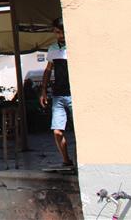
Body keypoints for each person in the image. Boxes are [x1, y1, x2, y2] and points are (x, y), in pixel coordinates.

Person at [40, 17, 74, 168]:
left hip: (73, 94)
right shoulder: (53, 49)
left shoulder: (73, 46)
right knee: (57, 131)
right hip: (58, 94)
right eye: (57, 32)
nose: (60, 35)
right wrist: (43, 90)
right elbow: (48, 70)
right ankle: (66, 160)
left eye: (61, 32)